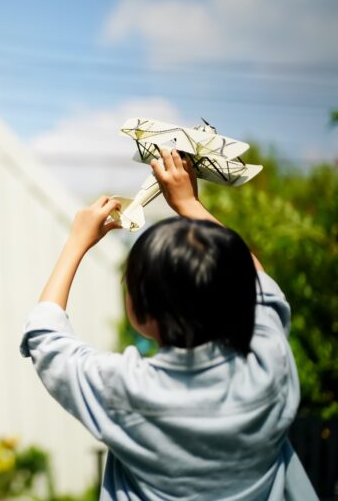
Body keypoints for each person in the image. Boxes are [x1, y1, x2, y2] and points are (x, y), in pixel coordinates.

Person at [20, 148, 318, 500]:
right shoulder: (268, 368)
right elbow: (260, 286)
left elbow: (45, 338)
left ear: (140, 311)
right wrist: (190, 205)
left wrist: (76, 243)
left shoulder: (126, 389)